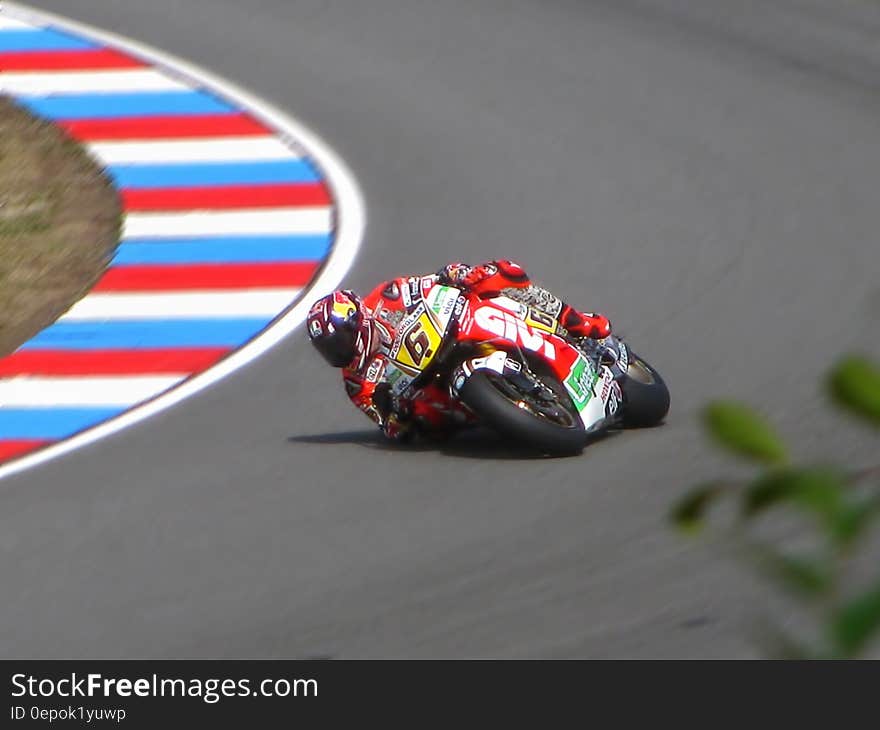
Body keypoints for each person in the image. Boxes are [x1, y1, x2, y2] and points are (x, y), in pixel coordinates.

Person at [307, 260, 612, 441]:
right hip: (437, 389)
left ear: (358, 321)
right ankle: (515, 409)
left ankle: (581, 324)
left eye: (338, 342)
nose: (337, 353)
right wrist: (396, 416)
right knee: (431, 425)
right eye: (328, 349)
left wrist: (456, 274)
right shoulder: (356, 383)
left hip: (455, 331)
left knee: (501, 279)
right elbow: (390, 428)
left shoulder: (388, 295)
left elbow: (432, 282)